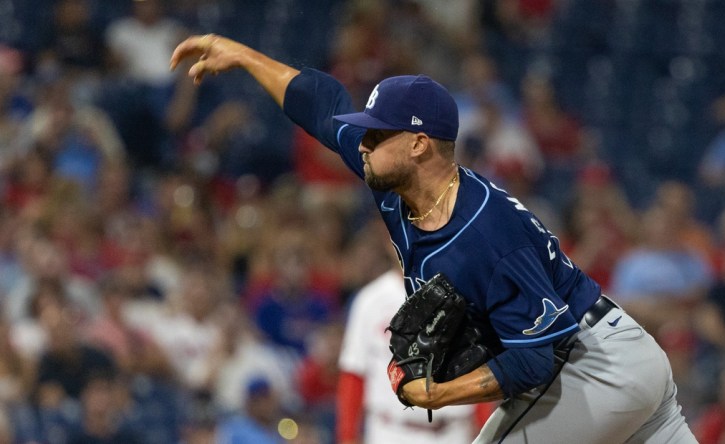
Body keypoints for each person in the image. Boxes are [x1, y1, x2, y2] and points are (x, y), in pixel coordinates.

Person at [170, 34, 698, 443]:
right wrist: (241, 55)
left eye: (378, 134)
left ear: (420, 144)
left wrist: (439, 393)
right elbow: (322, 106)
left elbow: (533, 360)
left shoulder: (485, 230)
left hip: (590, 364)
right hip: (620, 361)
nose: (365, 143)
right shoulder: (394, 179)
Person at [337, 265, 486, 444]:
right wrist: (348, 437)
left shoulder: (464, 291)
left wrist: (484, 426)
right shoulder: (371, 299)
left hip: (454, 431)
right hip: (391, 431)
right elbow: (354, 372)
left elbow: (479, 366)